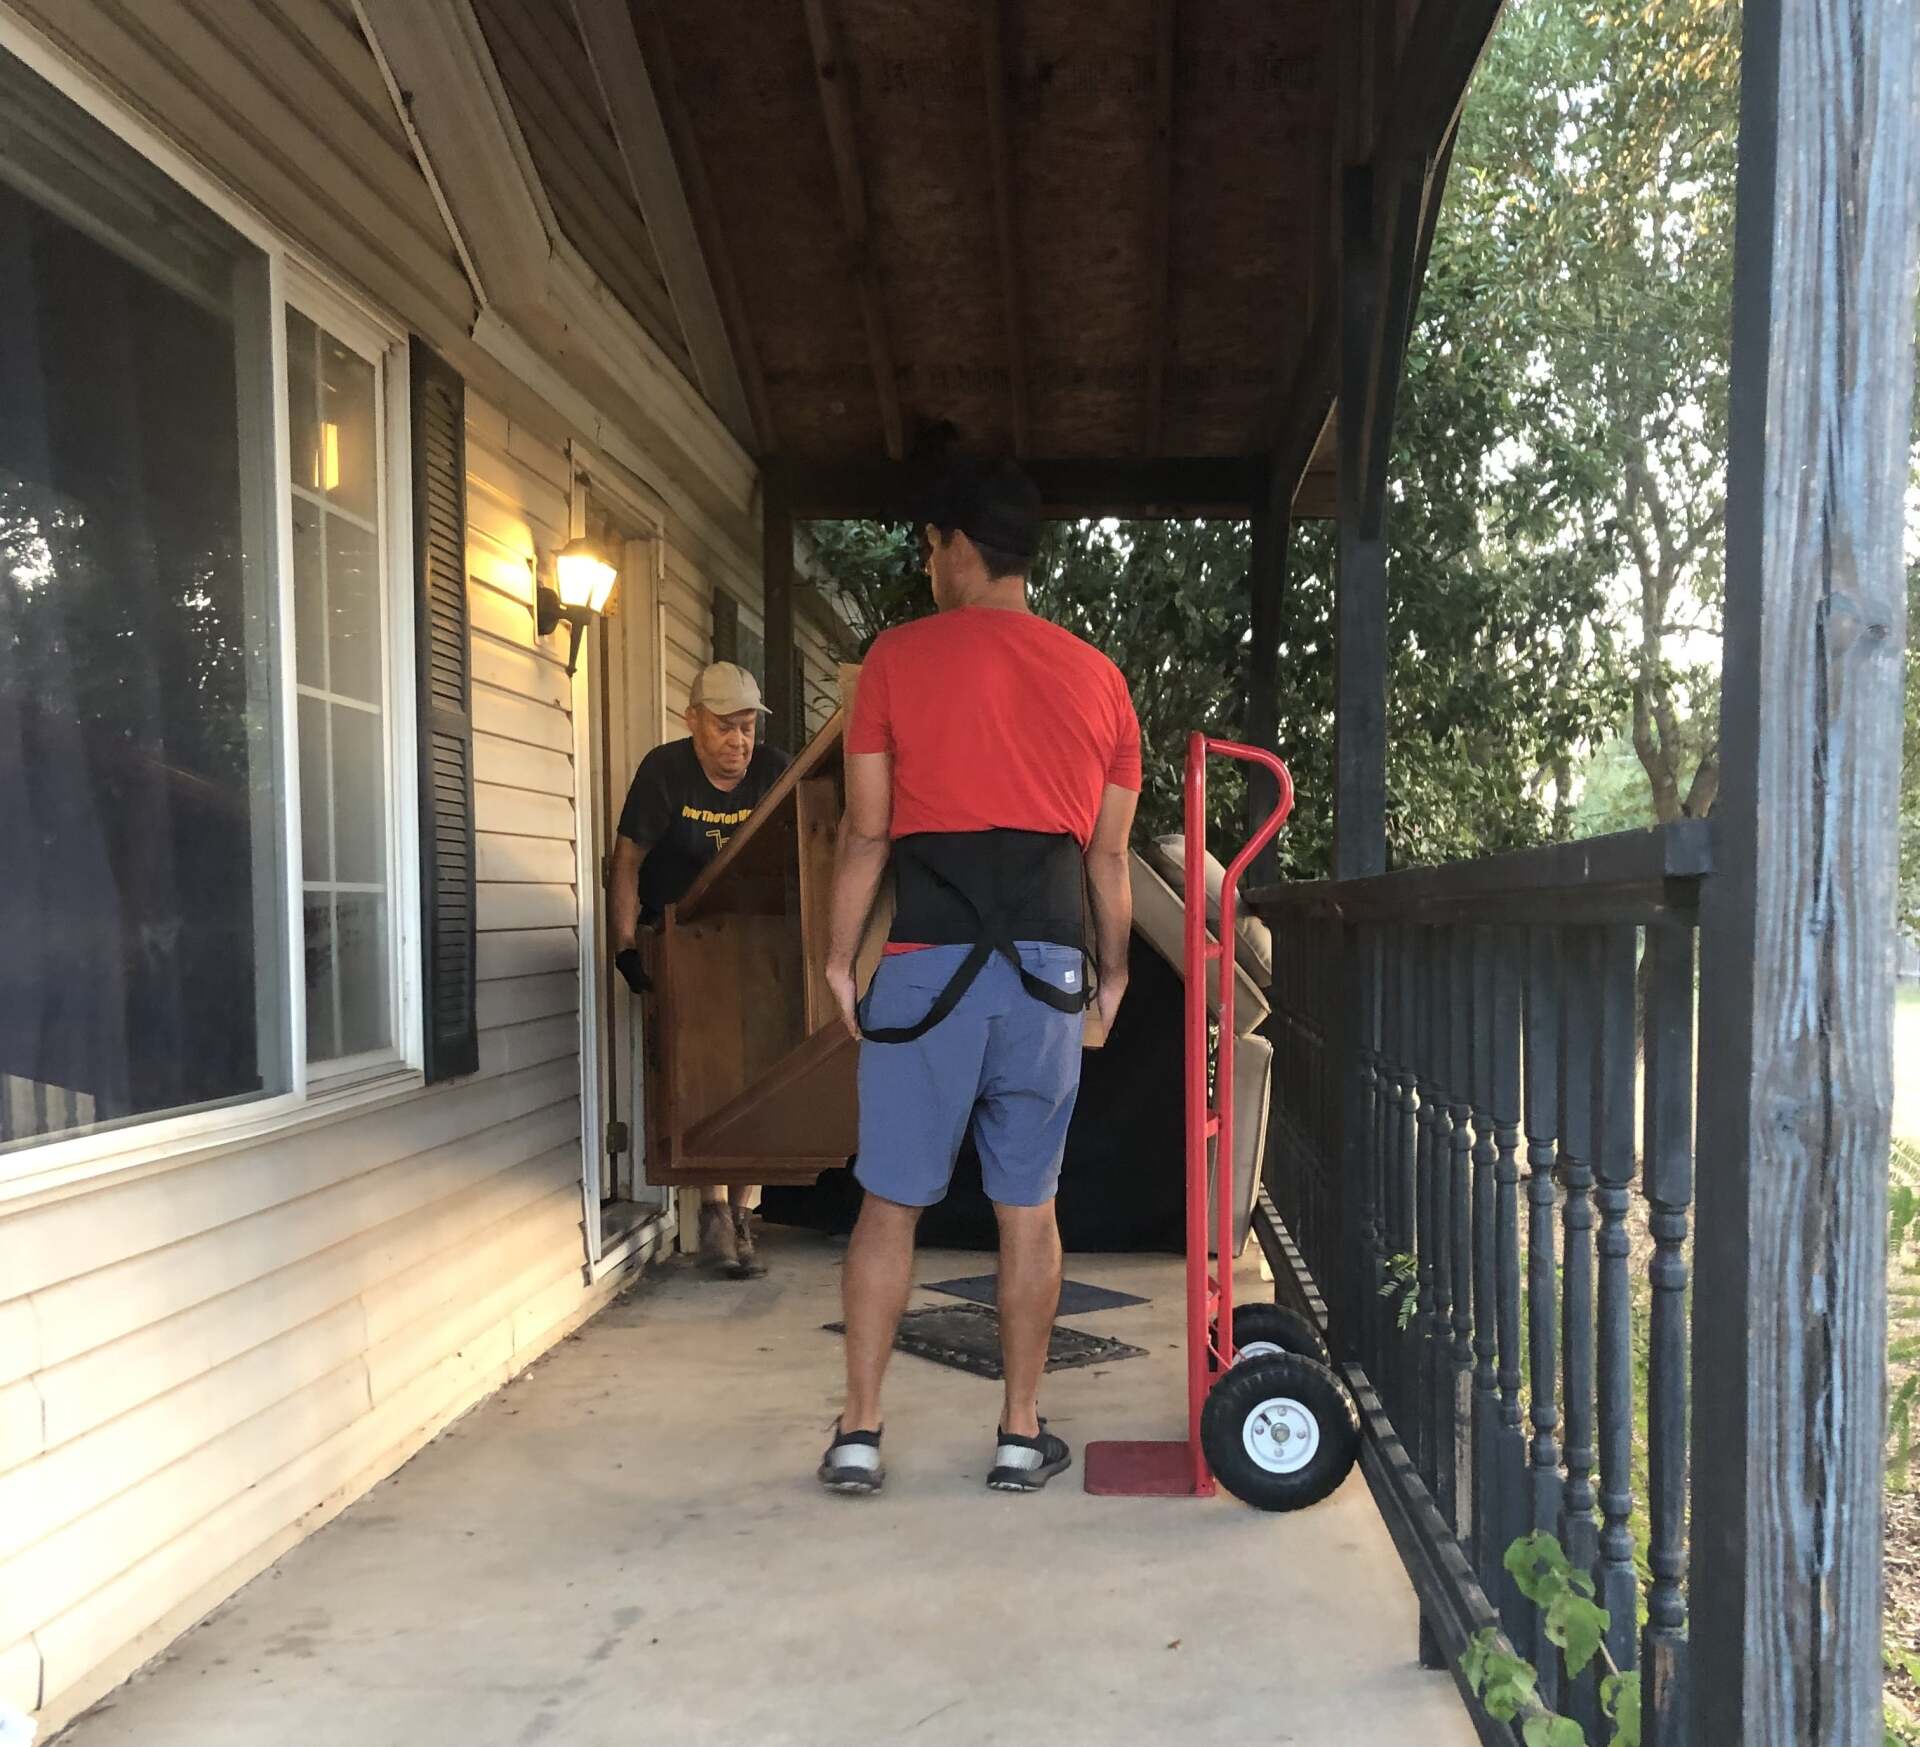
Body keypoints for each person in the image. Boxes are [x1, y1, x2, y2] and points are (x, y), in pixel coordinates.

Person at [817, 458, 1139, 1496]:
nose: (929, 564)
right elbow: (1107, 856)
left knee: (888, 1204)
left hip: (925, 966)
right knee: (1028, 1207)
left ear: (958, 546)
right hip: (1046, 972)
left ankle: (859, 1433)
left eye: (930, 547)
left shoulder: (895, 660)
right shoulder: (1100, 679)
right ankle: (1017, 1433)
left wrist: (837, 959)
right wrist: (1113, 974)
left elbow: (868, 832)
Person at [610, 660, 790, 1277]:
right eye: (724, 726)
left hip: (753, 940)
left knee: (757, 1076)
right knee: (700, 1069)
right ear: (692, 720)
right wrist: (626, 945)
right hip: (682, 936)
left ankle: (742, 1213)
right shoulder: (665, 772)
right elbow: (627, 861)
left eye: (747, 727)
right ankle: (713, 1209)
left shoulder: (773, 771)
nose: (739, 741)